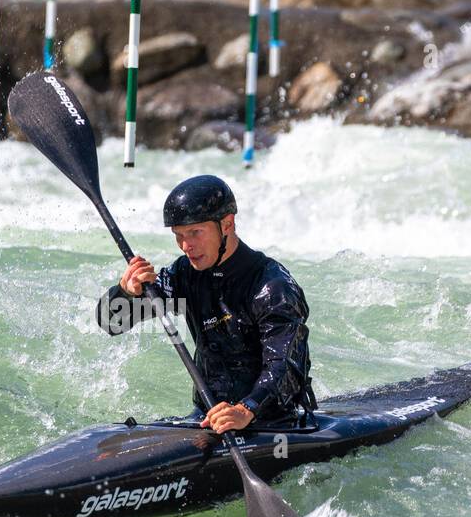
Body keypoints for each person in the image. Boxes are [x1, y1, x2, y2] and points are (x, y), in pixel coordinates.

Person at [95, 174, 316, 434]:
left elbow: (286, 365)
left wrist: (246, 410)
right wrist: (126, 292)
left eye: (195, 232)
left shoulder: (272, 286)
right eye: (179, 235)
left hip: (271, 422)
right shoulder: (185, 275)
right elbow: (112, 323)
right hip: (206, 419)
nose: (186, 246)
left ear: (227, 225)